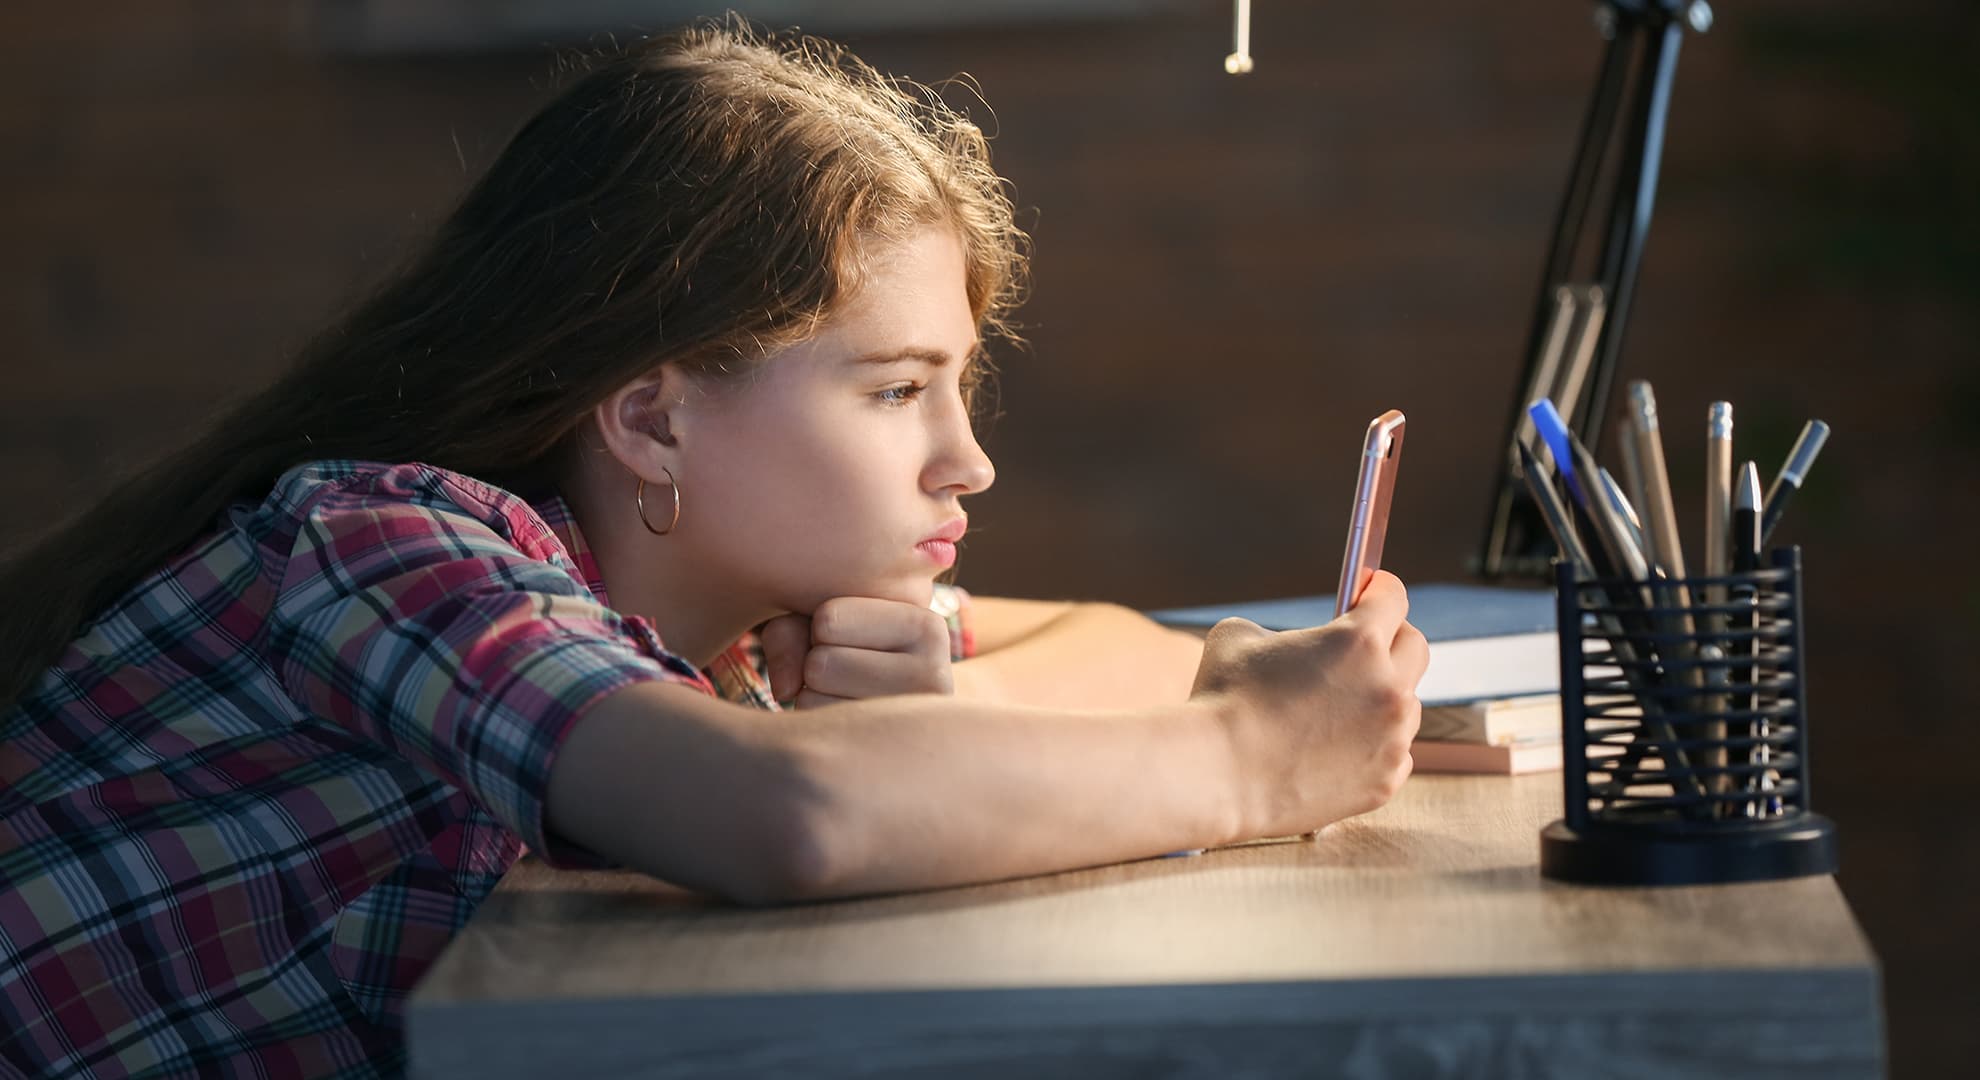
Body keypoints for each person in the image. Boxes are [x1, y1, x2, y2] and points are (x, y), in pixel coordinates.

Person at [0, 21, 1427, 1079]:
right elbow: (788, 822)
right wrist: (1251, 758)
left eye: (961, 383)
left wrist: (951, 720)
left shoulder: (723, 625)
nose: (968, 457)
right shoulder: (386, 546)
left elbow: (1115, 639)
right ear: (652, 422)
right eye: (893, 390)